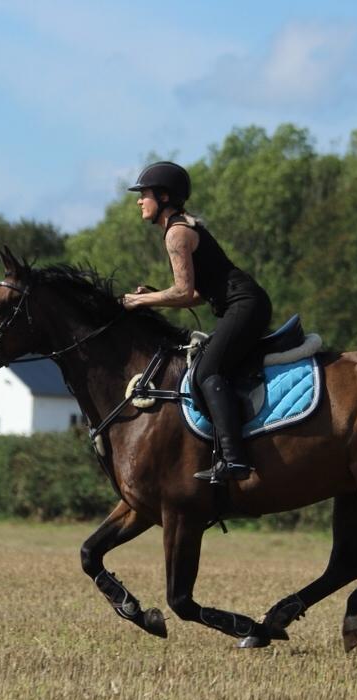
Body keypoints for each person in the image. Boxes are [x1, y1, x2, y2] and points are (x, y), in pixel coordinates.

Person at [122, 161, 272, 482]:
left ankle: (235, 459)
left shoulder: (177, 233)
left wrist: (138, 300)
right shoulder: (180, 228)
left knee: (206, 371)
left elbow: (182, 290)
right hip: (245, 304)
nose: (139, 200)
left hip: (245, 305)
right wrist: (152, 296)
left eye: (144, 194)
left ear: (163, 197)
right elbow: (195, 296)